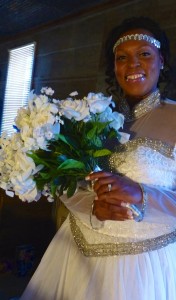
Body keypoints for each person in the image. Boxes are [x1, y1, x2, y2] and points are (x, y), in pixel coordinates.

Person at [20, 16, 176, 300]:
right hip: (77, 251)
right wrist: (92, 208)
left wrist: (140, 194)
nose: (133, 65)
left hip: (146, 263)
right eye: (122, 57)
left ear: (162, 60)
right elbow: (65, 180)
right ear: (114, 66)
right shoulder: (89, 115)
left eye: (144, 54)